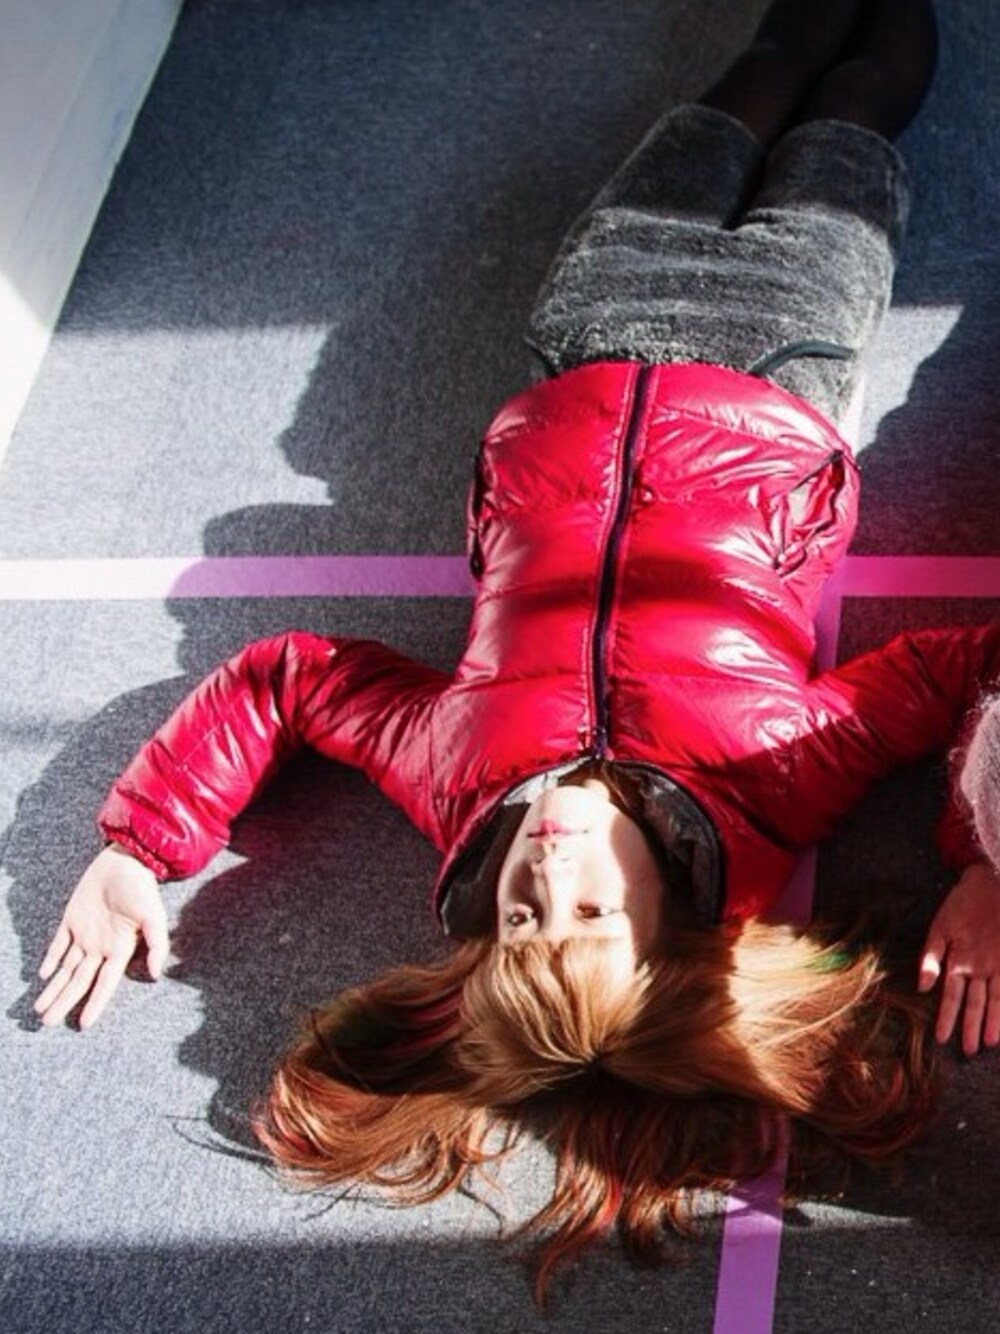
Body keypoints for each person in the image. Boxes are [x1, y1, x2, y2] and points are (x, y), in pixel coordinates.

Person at [33, 0, 1000, 1300]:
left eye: (519, 920)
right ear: (674, 930)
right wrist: (988, 854)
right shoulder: (774, 774)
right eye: (587, 913)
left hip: (586, 337)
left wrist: (140, 848)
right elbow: (973, 667)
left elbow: (289, 680)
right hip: (780, 352)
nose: (544, 876)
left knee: (753, 83)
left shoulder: (455, 776)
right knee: (857, 105)